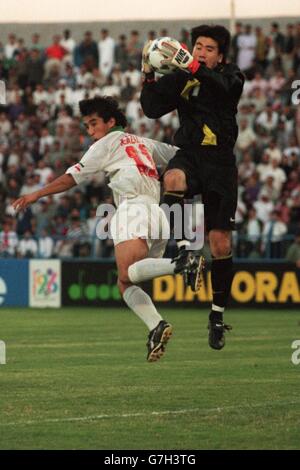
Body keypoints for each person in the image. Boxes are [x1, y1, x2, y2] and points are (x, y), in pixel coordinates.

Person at [12, 96, 197, 362]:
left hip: (132, 208)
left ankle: (182, 263)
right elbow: (180, 155)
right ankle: (157, 325)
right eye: (87, 126)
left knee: (127, 273)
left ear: (111, 122)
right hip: (159, 215)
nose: (90, 131)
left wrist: (36, 194)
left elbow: (70, 179)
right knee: (127, 281)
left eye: (94, 123)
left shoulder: (105, 144)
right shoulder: (144, 143)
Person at [140, 24, 245, 350]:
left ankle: (216, 315)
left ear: (221, 56)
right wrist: (148, 74)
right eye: (197, 45)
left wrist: (193, 66)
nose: (200, 51)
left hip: (221, 164)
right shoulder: (182, 76)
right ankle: (186, 251)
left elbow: (226, 92)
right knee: (172, 179)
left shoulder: (232, 76)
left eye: (208, 48)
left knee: (220, 243)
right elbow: (151, 108)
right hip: (190, 155)